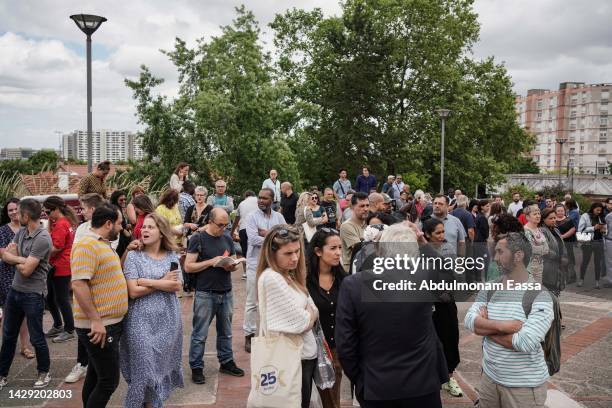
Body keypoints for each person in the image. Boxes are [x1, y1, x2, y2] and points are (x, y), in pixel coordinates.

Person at [336, 223, 448, 407]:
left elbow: (345, 343)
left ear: (380, 251)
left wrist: (361, 378)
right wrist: (422, 242)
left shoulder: (353, 285)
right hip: (422, 383)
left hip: (376, 384)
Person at [464, 232, 553, 408]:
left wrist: (485, 329)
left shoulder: (539, 295)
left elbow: (525, 342)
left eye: (500, 252)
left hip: (523, 387)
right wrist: (504, 326)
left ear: (518, 255)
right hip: (489, 379)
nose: (495, 258)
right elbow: (469, 320)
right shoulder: (490, 287)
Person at [121, 213, 184, 407]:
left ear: (162, 233)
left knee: (157, 370)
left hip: (168, 321)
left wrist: (146, 281)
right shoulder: (134, 256)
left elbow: (176, 286)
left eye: (151, 227)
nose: (144, 230)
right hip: (140, 322)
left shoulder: (172, 256)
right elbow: (133, 291)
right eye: (144, 227)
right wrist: (162, 281)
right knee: (143, 373)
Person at [71, 204, 128, 406]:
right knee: (109, 381)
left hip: (107, 323)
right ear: (108, 223)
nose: (122, 228)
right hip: (100, 326)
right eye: (120, 224)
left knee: (96, 376)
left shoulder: (102, 244)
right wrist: (96, 320)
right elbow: (78, 284)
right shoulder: (87, 245)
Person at [256, 225, 319, 408]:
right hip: (290, 358)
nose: (295, 258)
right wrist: (309, 314)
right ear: (272, 253)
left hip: (302, 356)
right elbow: (302, 321)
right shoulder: (272, 278)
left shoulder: (287, 276)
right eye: (288, 253)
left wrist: (309, 313)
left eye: (298, 251)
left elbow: (312, 310)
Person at [185, 208, 245, 383]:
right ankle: (196, 366)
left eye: (226, 225)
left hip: (225, 291)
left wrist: (232, 265)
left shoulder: (226, 237)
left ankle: (226, 361)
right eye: (220, 225)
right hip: (205, 292)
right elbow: (188, 266)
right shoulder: (198, 238)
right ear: (210, 222)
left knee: (226, 332)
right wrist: (211, 262)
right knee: (200, 333)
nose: (224, 228)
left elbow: (232, 259)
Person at [0, 199, 53, 389]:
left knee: (36, 337)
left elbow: (26, 271)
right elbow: (5, 255)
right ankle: (2, 375)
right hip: (15, 291)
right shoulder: (22, 231)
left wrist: (15, 260)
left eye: (18, 212)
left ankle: (44, 372)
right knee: (8, 336)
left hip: (33, 294)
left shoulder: (43, 238)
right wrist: (22, 260)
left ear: (26, 216)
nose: (15, 215)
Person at [421, 218, 464, 398]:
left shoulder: (447, 248)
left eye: (443, 232)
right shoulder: (418, 251)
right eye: (437, 233)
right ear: (427, 234)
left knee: (450, 338)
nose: (442, 236)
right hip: (426, 303)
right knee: (429, 340)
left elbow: (450, 272)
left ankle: (449, 377)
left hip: (445, 300)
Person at [66, 193, 105, 384]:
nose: (81, 212)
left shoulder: (107, 227)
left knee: (101, 325)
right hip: (83, 281)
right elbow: (76, 253)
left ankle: (97, 363)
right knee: (83, 323)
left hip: (101, 285)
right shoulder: (82, 228)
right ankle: (82, 363)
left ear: (93, 209)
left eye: (84, 208)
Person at [243, 188, 286, 352]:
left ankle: (273, 333)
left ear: (272, 200)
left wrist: (266, 234)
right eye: (259, 198)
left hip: (275, 264)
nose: (261, 201)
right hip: (256, 263)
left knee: (275, 299)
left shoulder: (278, 217)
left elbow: (285, 236)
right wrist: (274, 236)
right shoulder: (252, 217)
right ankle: (249, 335)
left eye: (264, 198)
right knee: (252, 301)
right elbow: (253, 239)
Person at [306, 229, 345, 408]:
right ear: (318, 251)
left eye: (340, 247)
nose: (338, 252)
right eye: (333, 248)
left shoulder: (344, 280)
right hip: (309, 349)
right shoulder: (304, 280)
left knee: (331, 400)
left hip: (334, 351)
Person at [0, 198, 34, 360]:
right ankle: (6, 345)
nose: (13, 212)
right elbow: (4, 256)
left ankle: (25, 346)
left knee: (25, 312)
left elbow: (36, 251)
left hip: (26, 274)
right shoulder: (2, 231)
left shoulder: (28, 229)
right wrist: (24, 258)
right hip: (7, 275)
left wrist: (14, 254)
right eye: (10, 210)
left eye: (15, 209)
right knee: (8, 311)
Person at [42, 196, 78, 343]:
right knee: (50, 297)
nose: (47, 215)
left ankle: (69, 329)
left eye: (48, 212)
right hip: (58, 265)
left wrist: (39, 254)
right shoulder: (62, 222)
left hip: (60, 266)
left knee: (61, 298)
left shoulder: (61, 224)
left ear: (56, 209)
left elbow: (56, 247)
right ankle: (57, 325)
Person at [578, 202, 605, 289]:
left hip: (599, 241)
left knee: (598, 263)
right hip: (588, 242)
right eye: (597, 210)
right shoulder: (585, 216)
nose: (599, 212)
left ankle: (597, 282)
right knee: (585, 261)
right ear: (593, 208)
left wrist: (604, 230)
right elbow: (580, 229)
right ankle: (581, 280)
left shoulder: (601, 217)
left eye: (600, 210)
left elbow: (605, 231)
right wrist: (594, 228)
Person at [340, 192, 369, 272]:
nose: (366, 209)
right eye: (362, 206)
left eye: (367, 205)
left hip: (366, 268)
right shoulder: (346, 226)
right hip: (352, 270)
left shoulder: (369, 223)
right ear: (352, 207)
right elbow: (361, 250)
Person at [431, 194, 466, 259]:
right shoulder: (425, 221)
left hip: (451, 264)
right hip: (431, 264)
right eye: (435, 203)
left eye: (440, 204)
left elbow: (461, 242)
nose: (437, 206)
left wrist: (460, 261)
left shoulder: (456, 221)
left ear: (447, 206)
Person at [540, 208, 565, 297]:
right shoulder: (542, 231)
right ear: (543, 219)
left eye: (554, 218)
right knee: (548, 291)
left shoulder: (556, 230)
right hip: (547, 265)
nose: (554, 220)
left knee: (556, 290)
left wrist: (564, 256)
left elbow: (562, 245)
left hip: (558, 264)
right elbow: (544, 248)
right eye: (550, 218)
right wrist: (557, 257)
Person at [523, 205, 549, 284]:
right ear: (527, 217)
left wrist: (540, 247)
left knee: (537, 291)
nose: (538, 216)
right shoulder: (526, 230)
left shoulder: (539, 230)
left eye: (539, 213)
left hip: (539, 266)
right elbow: (531, 248)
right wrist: (541, 247)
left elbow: (547, 249)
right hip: (529, 266)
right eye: (534, 214)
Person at [230, 191, 258, 261]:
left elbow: (236, 221)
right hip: (256, 229)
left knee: (245, 254)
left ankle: (246, 270)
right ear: (254, 195)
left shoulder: (242, 203)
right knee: (257, 252)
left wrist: (231, 233)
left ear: (245, 197)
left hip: (243, 229)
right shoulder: (259, 200)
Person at [555, 204, 577, 284]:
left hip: (568, 243)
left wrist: (563, 236)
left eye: (562, 211)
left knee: (569, 259)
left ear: (564, 211)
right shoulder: (553, 220)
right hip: (557, 243)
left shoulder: (569, 220)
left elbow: (573, 229)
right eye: (558, 211)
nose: (560, 212)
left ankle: (572, 276)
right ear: (555, 211)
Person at [110, 190, 131, 258]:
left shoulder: (118, 208)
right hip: (119, 239)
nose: (124, 201)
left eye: (125, 199)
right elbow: (114, 223)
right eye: (121, 200)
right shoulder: (115, 209)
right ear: (115, 200)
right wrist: (123, 230)